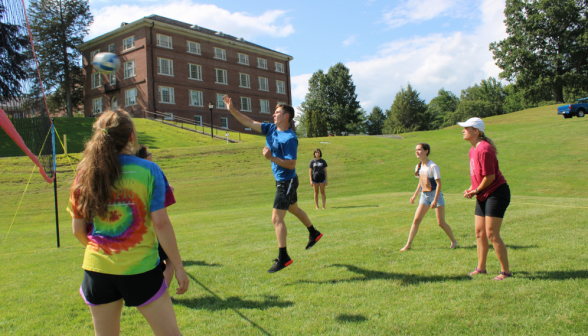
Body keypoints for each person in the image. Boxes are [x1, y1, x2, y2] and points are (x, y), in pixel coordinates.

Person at [69, 110, 189, 335]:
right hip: (140, 269)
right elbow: (161, 224)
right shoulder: (149, 170)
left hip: (97, 270)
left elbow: (77, 230)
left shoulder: (84, 173)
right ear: (132, 136)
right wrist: (179, 268)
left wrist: (104, 252)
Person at [222, 95, 323, 273]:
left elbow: (292, 163)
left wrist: (271, 158)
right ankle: (314, 233)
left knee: (277, 218)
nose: (273, 115)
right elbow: (250, 121)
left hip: (287, 181)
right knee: (293, 209)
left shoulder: (290, 138)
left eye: (277, 113)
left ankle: (284, 257)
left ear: (286, 116)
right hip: (284, 181)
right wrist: (232, 110)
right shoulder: (270, 129)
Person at [458, 117, 512, 281]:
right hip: (482, 193)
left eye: (466, 128)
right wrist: (472, 188)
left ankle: (506, 272)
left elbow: (490, 177)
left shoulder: (485, 149)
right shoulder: (472, 149)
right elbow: (477, 175)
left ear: (477, 131)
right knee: (479, 232)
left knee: (491, 233)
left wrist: (475, 191)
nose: (463, 130)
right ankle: (481, 268)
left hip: (497, 193)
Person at [400, 143, 458, 252]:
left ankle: (454, 241)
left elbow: (439, 184)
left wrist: (435, 200)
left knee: (440, 222)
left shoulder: (433, 166)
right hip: (424, 196)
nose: (417, 152)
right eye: (416, 150)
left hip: (436, 195)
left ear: (426, 151)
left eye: (419, 149)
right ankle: (408, 245)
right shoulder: (418, 166)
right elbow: (420, 183)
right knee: (416, 220)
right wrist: (414, 195)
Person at [136, 145, 175, 288]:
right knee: (172, 259)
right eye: (149, 153)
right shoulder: (151, 171)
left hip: (139, 229)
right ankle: (161, 294)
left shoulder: (134, 174)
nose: (151, 156)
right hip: (153, 228)